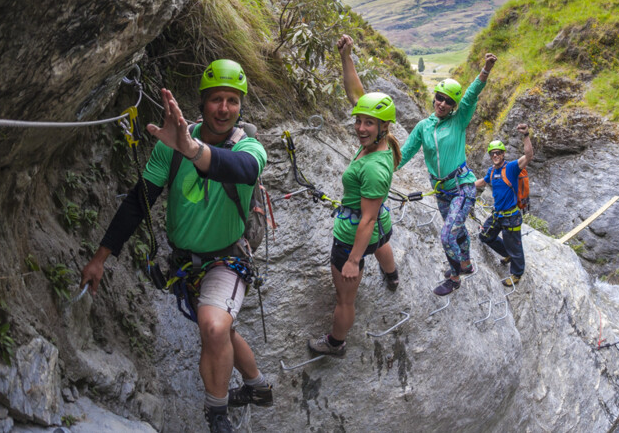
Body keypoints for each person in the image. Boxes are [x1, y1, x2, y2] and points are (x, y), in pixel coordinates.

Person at [80, 59, 271, 433]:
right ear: (202, 103)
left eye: (233, 100)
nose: (224, 109)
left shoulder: (250, 147)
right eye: (216, 99)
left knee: (214, 327)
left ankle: (217, 417)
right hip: (186, 262)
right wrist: (101, 257)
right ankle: (258, 386)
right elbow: (140, 201)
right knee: (222, 329)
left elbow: (243, 170)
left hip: (227, 259)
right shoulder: (171, 145)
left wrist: (192, 149)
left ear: (241, 106)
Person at [308, 35, 401, 356]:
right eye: (358, 121)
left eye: (367, 123)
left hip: (353, 235)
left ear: (383, 126)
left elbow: (368, 218)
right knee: (382, 242)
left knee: (345, 298)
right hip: (379, 227)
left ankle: (335, 343)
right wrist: (347, 56)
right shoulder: (381, 140)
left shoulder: (374, 166)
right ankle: (392, 276)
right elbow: (357, 94)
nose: (360, 127)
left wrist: (352, 260)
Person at [397, 52, 497, 295]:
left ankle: (455, 277)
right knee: (458, 229)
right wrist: (381, 168)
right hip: (442, 191)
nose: (442, 104)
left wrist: (485, 70)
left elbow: (472, 94)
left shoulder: (459, 120)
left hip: (463, 186)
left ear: (454, 106)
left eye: (448, 101)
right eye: (439, 98)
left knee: (446, 234)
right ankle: (467, 264)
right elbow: (405, 153)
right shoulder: (423, 127)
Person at [474, 123, 533, 286]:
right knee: (485, 236)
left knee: (515, 246)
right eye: (492, 153)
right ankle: (506, 253)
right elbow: (483, 182)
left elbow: (528, 156)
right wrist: (468, 185)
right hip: (498, 215)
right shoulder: (491, 171)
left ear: (503, 153)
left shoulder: (512, 167)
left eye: (498, 153)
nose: (495, 155)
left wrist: (526, 135)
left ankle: (517, 273)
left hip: (511, 217)